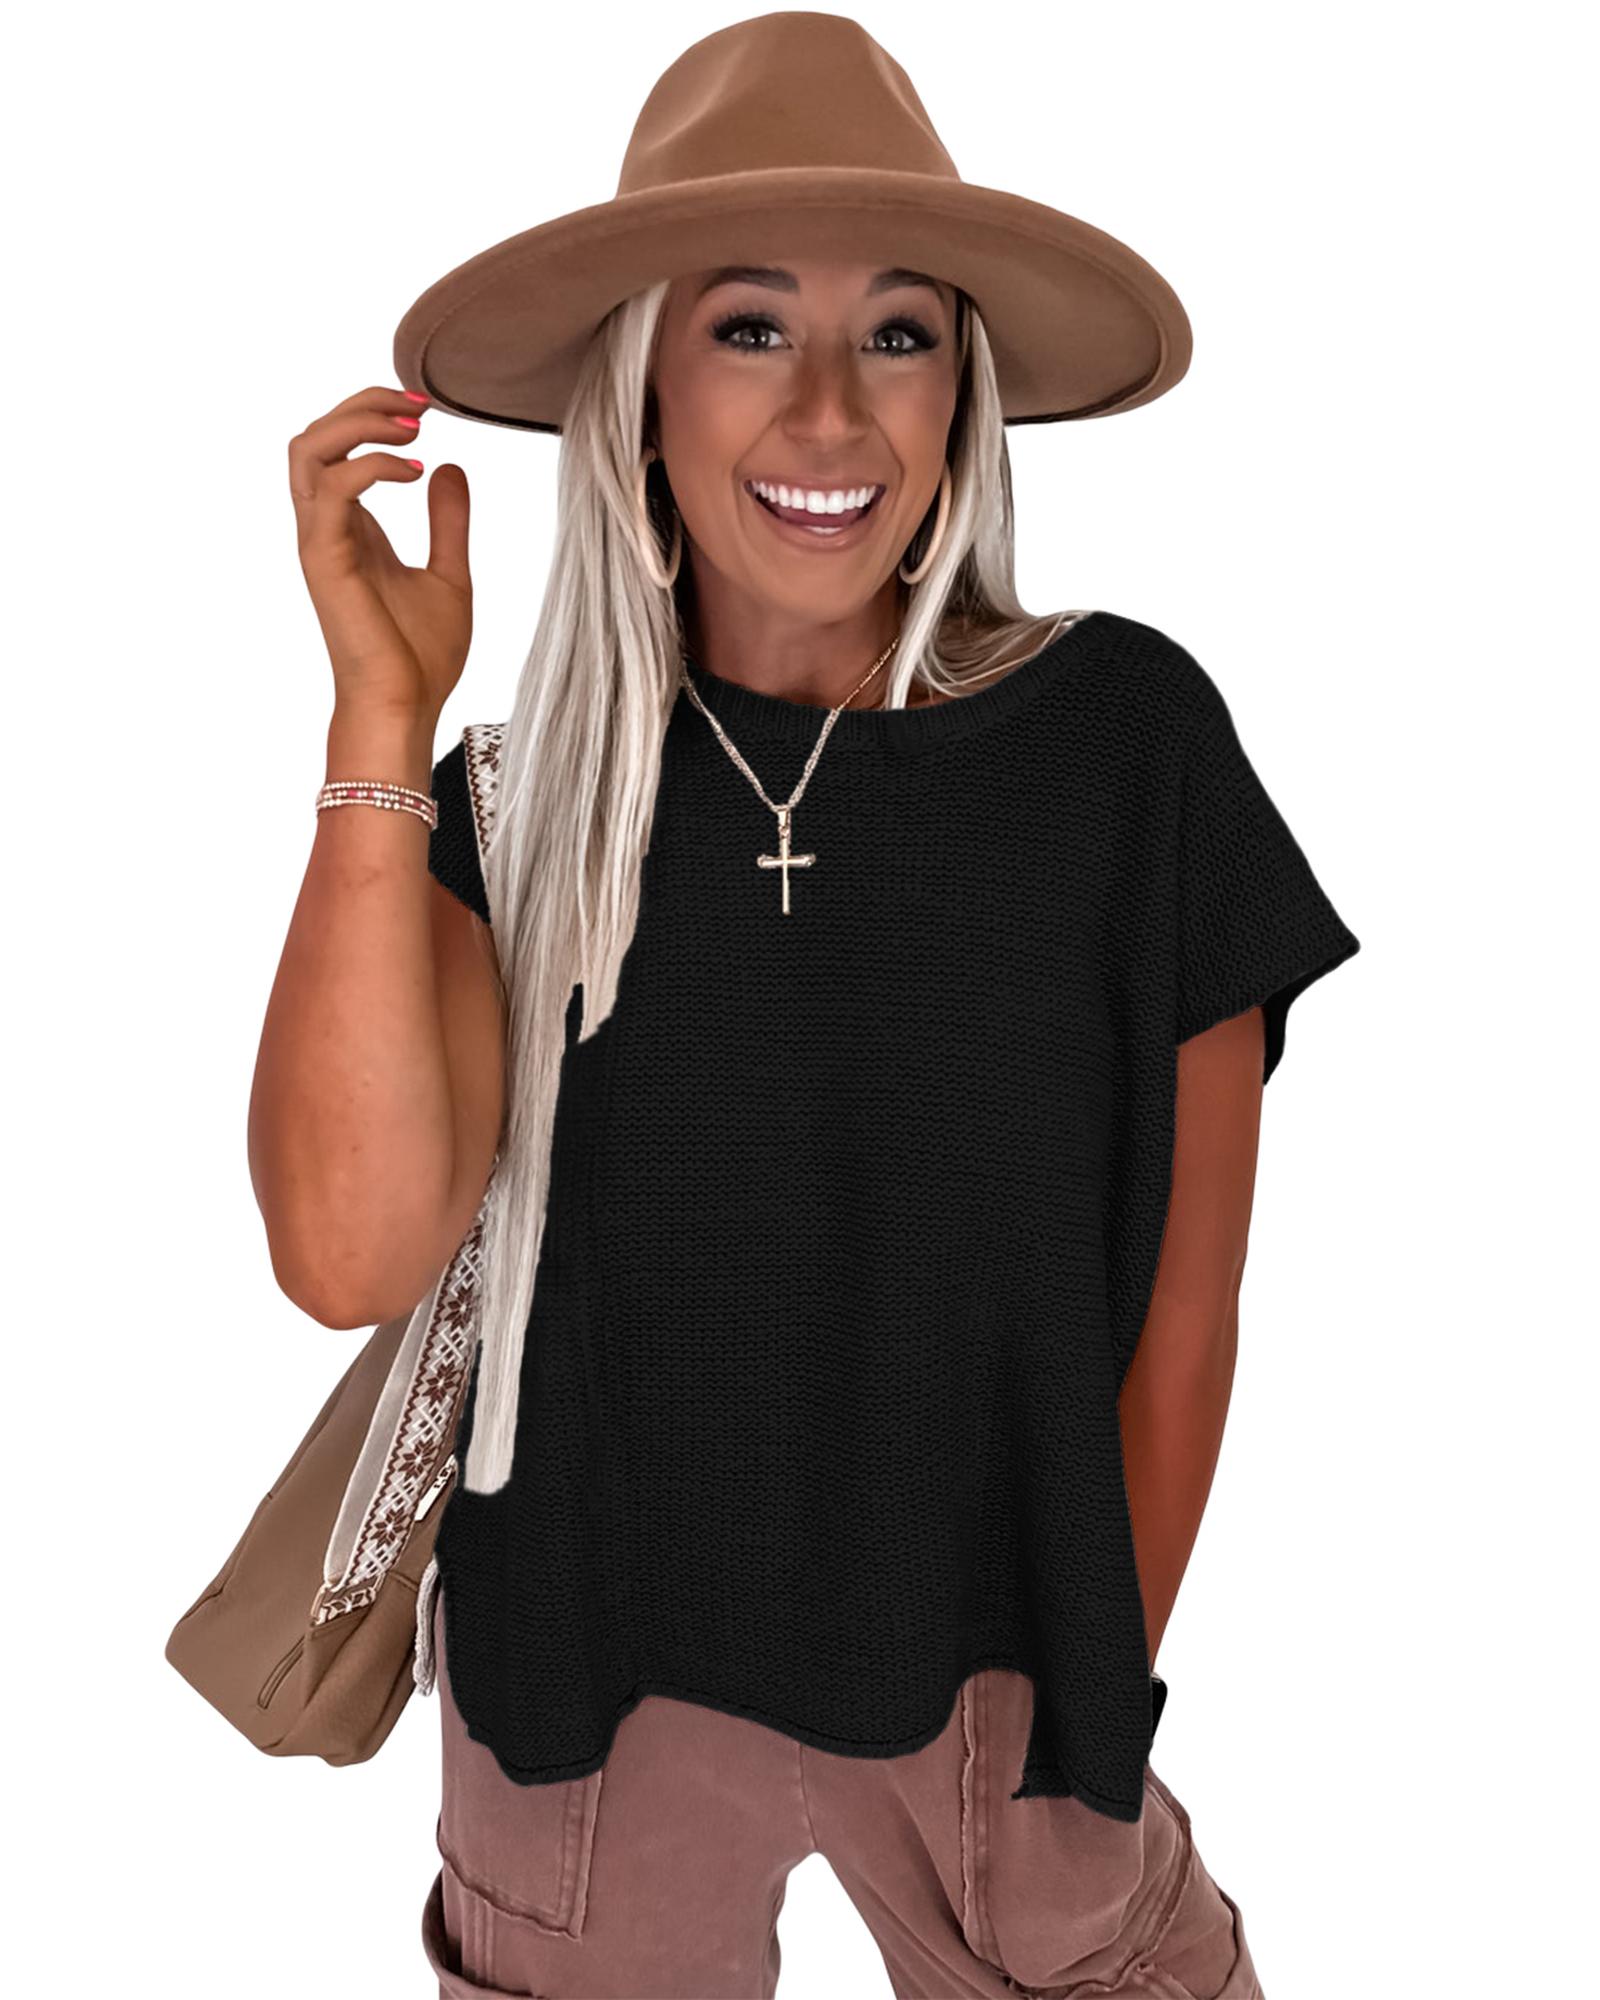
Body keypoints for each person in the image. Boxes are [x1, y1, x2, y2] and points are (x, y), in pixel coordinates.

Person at [251, 16, 1359, 1998]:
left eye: (898, 333)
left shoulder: (1123, 749)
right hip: (585, 1703)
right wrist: (378, 721)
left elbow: (1188, 1307)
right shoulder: (525, 804)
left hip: (1009, 1701)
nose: (831, 413)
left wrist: (1088, 1719)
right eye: (750, 328)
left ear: (964, 392)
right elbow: (346, 1255)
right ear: (642, 390)